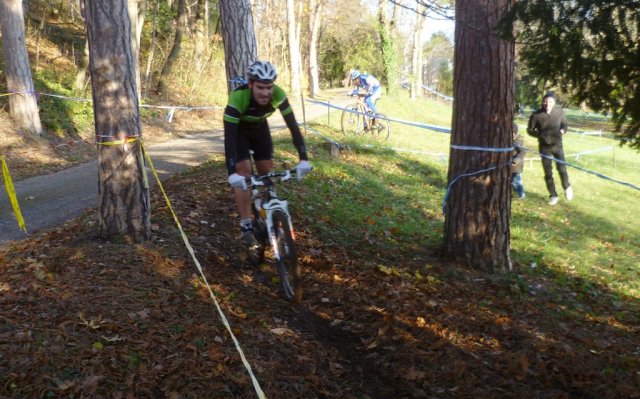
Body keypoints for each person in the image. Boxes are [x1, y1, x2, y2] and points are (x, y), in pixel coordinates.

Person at [223, 60, 312, 247]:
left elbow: (293, 126)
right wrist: (232, 172)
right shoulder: (238, 98)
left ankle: (267, 208)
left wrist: (303, 158)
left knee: (267, 171)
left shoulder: (278, 94)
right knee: (244, 173)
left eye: (269, 87)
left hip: (259, 129)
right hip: (239, 133)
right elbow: (229, 139)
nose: (265, 92)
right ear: (251, 85)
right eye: (260, 88)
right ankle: (246, 225)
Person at [527, 92, 573, 206]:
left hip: (558, 146)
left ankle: (567, 187)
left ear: (554, 102)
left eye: (550, 101)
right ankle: (553, 195)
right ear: (543, 102)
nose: (547, 104)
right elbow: (530, 129)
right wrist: (539, 135)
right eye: (545, 101)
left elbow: (565, 126)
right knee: (548, 173)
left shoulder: (559, 111)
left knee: (562, 169)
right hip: (544, 147)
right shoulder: (536, 115)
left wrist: (561, 132)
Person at [511, 122, 526, 199]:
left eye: (512, 133)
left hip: (516, 166)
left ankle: (522, 194)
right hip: (510, 165)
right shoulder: (509, 140)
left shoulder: (518, 141)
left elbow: (522, 152)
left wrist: (515, 161)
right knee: (511, 181)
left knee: (517, 181)